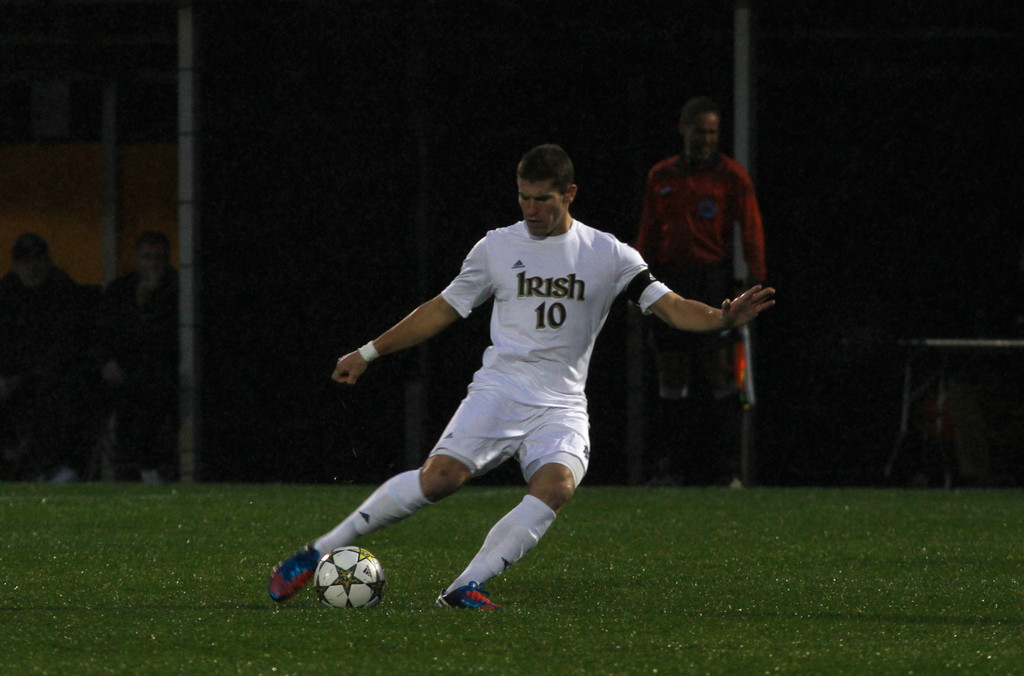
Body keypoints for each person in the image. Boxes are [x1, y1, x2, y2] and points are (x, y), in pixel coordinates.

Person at [267, 144, 775, 609]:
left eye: (543, 200)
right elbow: (442, 308)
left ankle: (463, 587)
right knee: (439, 480)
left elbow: (673, 308)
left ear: (570, 194)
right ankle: (314, 554)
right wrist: (368, 352)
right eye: (523, 198)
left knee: (556, 486)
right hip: (501, 390)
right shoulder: (495, 247)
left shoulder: (609, 254)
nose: (531, 210)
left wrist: (722, 318)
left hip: (562, 404)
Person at [635, 96, 767, 486]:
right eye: (700, 131)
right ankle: (671, 469)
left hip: (714, 281)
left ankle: (727, 471)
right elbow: (646, 233)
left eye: (712, 132)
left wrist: (755, 283)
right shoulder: (661, 176)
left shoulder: (732, 176)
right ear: (683, 129)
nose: (707, 138)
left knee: (721, 372)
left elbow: (752, 231)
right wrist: (635, 282)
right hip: (668, 281)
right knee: (671, 374)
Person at [0, 232, 97, 482]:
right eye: (25, 262)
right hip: (11, 378)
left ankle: (54, 466)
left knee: (60, 392)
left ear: (48, 262)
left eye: (37, 260)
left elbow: (64, 348)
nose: (32, 268)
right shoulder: (7, 294)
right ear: (14, 266)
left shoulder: (64, 294)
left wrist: (19, 378)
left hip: (50, 379)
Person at [92, 231, 179, 482]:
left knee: (146, 392)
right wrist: (105, 362)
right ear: (135, 258)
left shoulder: (176, 289)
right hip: (119, 371)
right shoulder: (119, 290)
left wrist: (146, 305)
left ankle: (145, 465)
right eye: (146, 257)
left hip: (159, 374)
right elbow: (101, 333)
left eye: (158, 258)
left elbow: (164, 341)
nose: (152, 264)